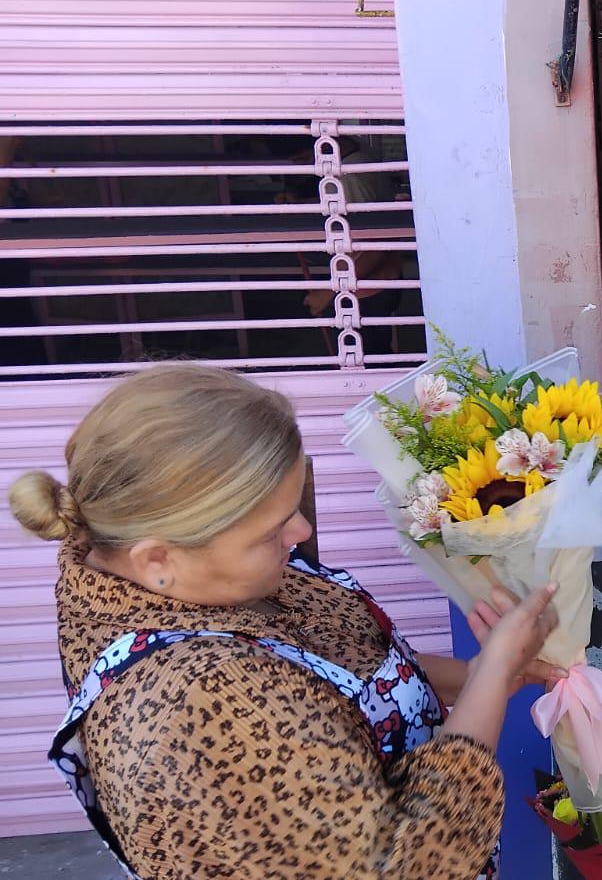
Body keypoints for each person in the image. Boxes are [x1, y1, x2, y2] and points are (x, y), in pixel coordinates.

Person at [8, 364, 566, 879]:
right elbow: (401, 862)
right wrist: (491, 678)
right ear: (157, 561)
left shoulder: (193, 581)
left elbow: (332, 672)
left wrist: (476, 677)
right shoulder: (194, 706)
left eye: (295, 504)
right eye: (271, 529)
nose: (301, 533)